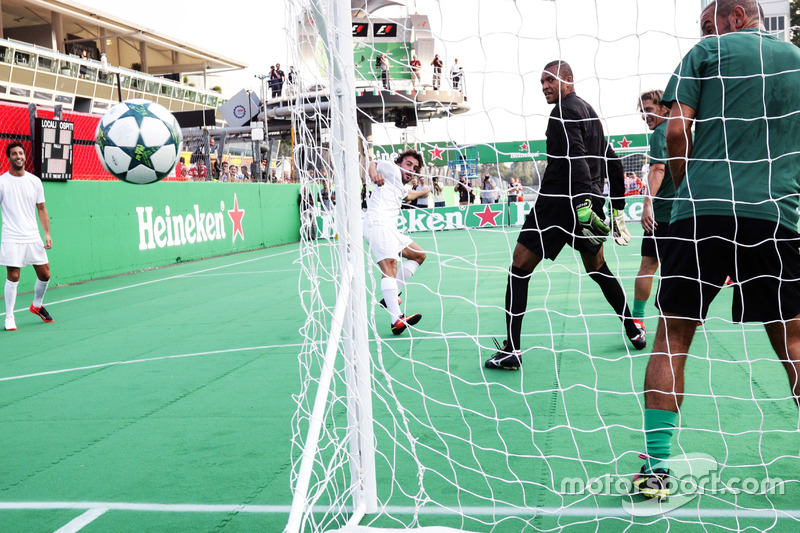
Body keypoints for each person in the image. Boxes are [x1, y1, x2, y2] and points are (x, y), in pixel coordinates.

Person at [632, 0, 800, 501]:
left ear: (732, 17)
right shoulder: (795, 58)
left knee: (673, 336)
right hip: (775, 215)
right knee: (793, 341)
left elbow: (677, 129)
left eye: (710, 24)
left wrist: (684, 184)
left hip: (701, 214)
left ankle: (655, 470)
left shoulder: (706, 51)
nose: (710, 33)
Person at [484, 60, 638, 371]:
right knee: (598, 269)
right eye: (541, 82)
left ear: (568, 78)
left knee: (519, 268)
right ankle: (632, 329)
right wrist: (615, 206)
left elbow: (577, 158)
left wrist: (581, 204)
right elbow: (613, 161)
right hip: (587, 202)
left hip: (557, 204)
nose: (544, 87)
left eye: (550, 80)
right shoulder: (590, 113)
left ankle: (513, 350)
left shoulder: (563, 112)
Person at [365, 150, 429, 335]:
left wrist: (424, 191)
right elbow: (374, 164)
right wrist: (373, 175)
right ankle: (396, 319)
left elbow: (408, 195)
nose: (411, 170)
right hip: (377, 224)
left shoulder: (399, 186)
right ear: (399, 163)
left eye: (415, 168)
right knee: (390, 267)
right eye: (408, 164)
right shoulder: (391, 170)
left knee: (418, 255)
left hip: (389, 229)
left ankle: (390, 298)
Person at [630, 90, 676, 339]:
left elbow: (658, 168)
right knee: (677, 267)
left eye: (649, 109)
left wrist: (648, 204)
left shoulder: (661, 132)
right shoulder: (684, 131)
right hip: (683, 213)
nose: (645, 115)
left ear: (663, 109)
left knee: (648, 266)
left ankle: (638, 319)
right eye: (642, 111)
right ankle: (683, 314)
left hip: (664, 213)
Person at [0, 142, 54, 331]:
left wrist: (46, 233)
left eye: (21, 153)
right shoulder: (2, 182)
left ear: (24, 156)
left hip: (32, 236)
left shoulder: (34, 181)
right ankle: (9, 316)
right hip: (11, 236)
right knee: (13, 275)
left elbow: (41, 208)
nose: (18, 156)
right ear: (8, 158)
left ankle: (37, 305)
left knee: (45, 274)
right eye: (14, 154)